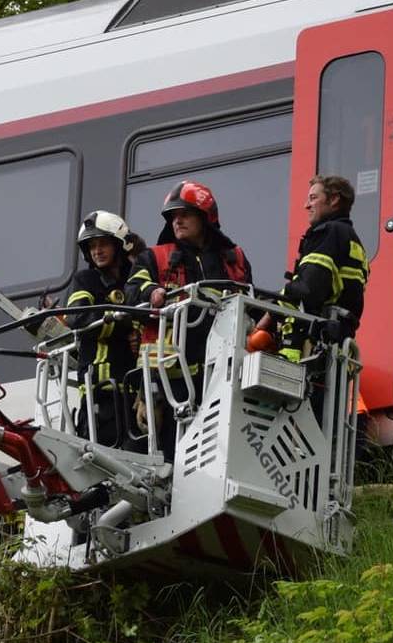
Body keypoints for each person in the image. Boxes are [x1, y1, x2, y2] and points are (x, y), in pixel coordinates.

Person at [145, 181, 253, 412]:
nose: (177, 221)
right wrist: (151, 291)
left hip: (226, 373)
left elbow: (251, 306)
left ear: (205, 217)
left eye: (185, 214)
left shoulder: (235, 259)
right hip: (173, 381)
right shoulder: (155, 257)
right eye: (173, 216)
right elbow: (134, 291)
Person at [60, 211, 155, 450]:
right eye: (92, 246)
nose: (97, 251)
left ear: (119, 244)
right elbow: (78, 318)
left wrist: (137, 331)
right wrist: (124, 326)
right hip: (101, 397)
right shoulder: (85, 280)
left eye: (103, 243)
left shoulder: (134, 280)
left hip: (137, 396)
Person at [261, 174, 369, 364]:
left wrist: (270, 309)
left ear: (334, 199)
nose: (306, 205)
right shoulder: (353, 241)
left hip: (308, 354)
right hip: (332, 351)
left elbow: (309, 289)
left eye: (313, 198)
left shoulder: (328, 233)